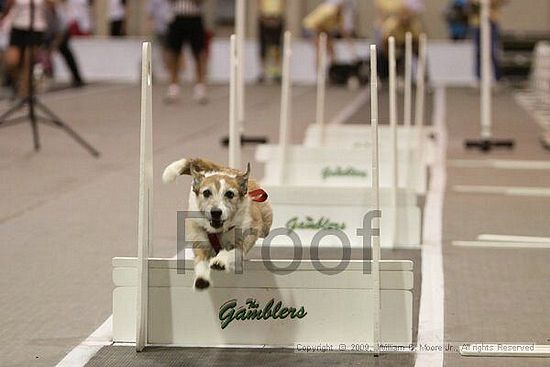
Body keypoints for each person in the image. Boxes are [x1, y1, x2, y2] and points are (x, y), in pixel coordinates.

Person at [0, 0, 55, 97]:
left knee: (28, 62)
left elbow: (53, 6)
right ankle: (18, 83)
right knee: (11, 62)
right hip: (17, 27)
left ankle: (24, 93)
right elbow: (8, 8)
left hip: (36, 28)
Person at [164, 0, 208, 104]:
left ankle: (200, 86)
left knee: (198, 53)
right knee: (173, 52)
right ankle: (173, 86)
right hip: (177, 16)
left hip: (194, 16)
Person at [303, 0, 357, 66]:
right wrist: (326, 35)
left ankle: (333, 69)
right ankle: (319, 72)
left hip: (323, 30)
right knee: (320, 47)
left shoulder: (339, 16)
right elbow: (317, 25)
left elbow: (343, 31)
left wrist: (350, 46)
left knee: (331, 49)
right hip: (311, 28)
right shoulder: (329, 11)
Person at [469, 0, 509, 81]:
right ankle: (479, 77)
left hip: (492, 20)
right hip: (477, 22)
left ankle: (498, 77)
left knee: (493, 50)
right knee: (479, 51)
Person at [52, 0, 85, 87]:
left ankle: (77, 77)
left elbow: (63, 27)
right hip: (48, 30)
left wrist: (55, 43)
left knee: (65, 51)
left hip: (61, 31)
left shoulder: (59, 9)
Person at [257, 0, 284, 83]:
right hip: (265, 18)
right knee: (263, 47)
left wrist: (278, 18)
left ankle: (276, 72)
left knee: (276, 47)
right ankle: (263, 72)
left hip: (276, 18)